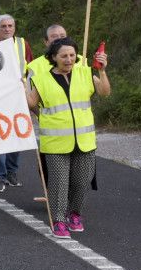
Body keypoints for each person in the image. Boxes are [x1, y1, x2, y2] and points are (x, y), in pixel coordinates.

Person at [26, 37, 111, 238]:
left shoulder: (85, 73)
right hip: (55, 143)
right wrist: (19, 86)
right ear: (54, 57)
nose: (69, 59)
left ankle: (74, 213)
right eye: (64, 55)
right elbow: (31, 102)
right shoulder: (42, 79)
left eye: (72, 55)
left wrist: (102, 70)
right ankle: (58, 220)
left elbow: (105, 92)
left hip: (85, 141)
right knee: (59, 183)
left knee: (82, 181)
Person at [0, 14, 34, 192]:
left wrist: (29, 92)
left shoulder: (23, 44)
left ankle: (12, 172)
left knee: (17, 134)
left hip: (18, 95)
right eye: (3, 26)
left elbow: (31, 69)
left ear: (14, 27)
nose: (7, 29)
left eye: (10, 26)